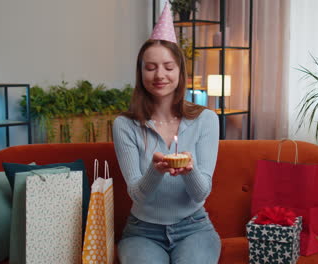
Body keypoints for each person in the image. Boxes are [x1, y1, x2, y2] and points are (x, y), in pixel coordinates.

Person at [112, 4, 221, 264]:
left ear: (180, 72)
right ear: (141, 73)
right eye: (150, 67)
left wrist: (190, 169)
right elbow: (137, 194)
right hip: (142, 232)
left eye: (168, 67)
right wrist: (156, 170)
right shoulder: (125, 125)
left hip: (194, 229)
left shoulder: (205, 120)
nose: (159, 74)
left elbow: (201, 193)